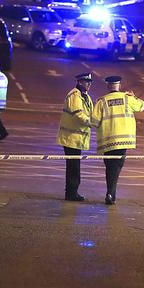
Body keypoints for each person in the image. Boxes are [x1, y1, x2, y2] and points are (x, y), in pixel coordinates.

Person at [92, 75, 144, 205]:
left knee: (110, 167)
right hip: (123, 140)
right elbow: (142, 106)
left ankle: (110, 194)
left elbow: (94, 121)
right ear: (119, 85)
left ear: (108, 86)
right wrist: (134, 96)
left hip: (108, 141)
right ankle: (110, 194)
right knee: (116, 167)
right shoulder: (127, 98)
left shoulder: (102, 101)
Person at [56, 72, 94, 202]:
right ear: (79, 82)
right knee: (73, 167)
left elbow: (90, 113)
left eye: (90, 82)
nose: (89, 84)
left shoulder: (85, 96)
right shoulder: (74, 95)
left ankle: (73, 192)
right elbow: (78, 114)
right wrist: (92, 123)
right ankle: (71, 193)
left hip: (77, 138)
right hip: (70, 137)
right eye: (86, 82)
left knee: (74, 166)